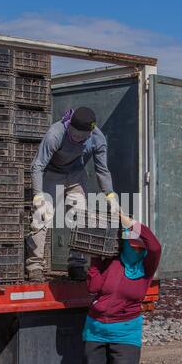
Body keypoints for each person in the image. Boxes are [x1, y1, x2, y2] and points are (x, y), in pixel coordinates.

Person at [82, 217, 161, 364]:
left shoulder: (146, 267)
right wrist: (96, 259)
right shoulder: (112, 262)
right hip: (95, 331)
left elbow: (155, 245)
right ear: (125, 244)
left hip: (126, 333)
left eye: (140, 247)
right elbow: (93, 286)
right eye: (132, 245)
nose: (137, 249)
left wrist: (130, 222)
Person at [26, 107, 115, 282]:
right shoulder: (55, 134)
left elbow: (102, 170)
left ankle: (76, 264)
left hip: (76, 175)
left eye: (82, 136)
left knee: (80, 218)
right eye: (74, 134)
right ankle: (35, 266)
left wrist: (110, 195)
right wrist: (38, 196)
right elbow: (37, 166)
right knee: (41, 217)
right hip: (51, 174)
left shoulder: (98, 139)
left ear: (90, 133)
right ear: (69, 126)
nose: (77, 138)